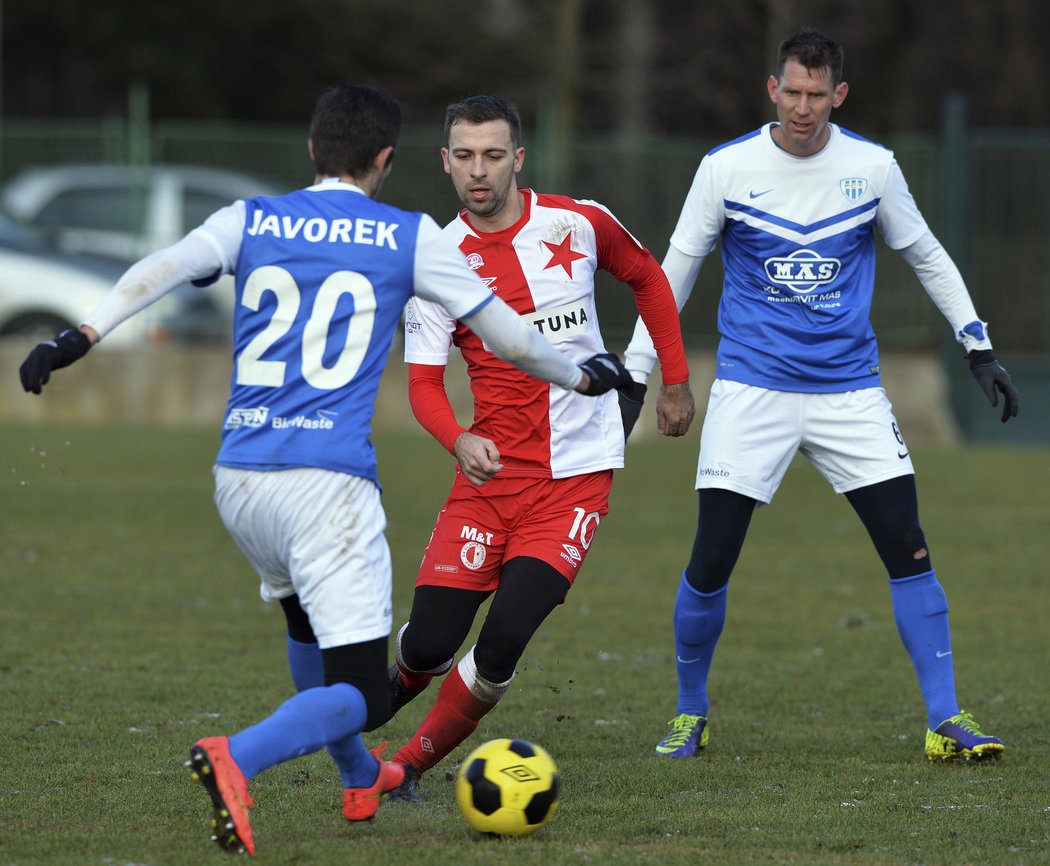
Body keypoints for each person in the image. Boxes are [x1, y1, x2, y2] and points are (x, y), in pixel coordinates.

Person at [18, 84, 637, 856]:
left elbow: (165, 267)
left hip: (239, 478)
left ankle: (360, 780)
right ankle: (234, 758)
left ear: (312, 150)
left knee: (305, 623)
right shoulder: (409, 236)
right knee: (357, 689)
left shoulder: (252, 218)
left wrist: (77, 337)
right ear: (386, 159)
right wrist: (585, 378)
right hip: (327, 486)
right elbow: (511, 341)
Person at [620, 28, 1019, 763]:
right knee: (711, 558)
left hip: (850, 394)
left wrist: (978, 345)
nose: (803, 108)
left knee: (910, 547)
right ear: (772, 89)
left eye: (817, 95)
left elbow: (926, 253)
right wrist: (637, 371)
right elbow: (670, 270)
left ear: (839, 94)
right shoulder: (726, 169)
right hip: (749, 390)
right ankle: (688, 714)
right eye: (791, 92)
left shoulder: (873, 168)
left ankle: (946, 719)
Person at [374, 95, 695, 803]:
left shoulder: (577, 222)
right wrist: (458, 439)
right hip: (487, 485)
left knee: (501, 645)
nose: (478, 171)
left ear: (518, 158)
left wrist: (674, 381)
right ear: (446, 163)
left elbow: (648, 276)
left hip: (576, 481)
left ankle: (403, 769)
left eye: (493, 155)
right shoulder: (436, 262)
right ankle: (362, 714)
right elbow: (423, 387)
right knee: (428, 644)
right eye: (464, 156)